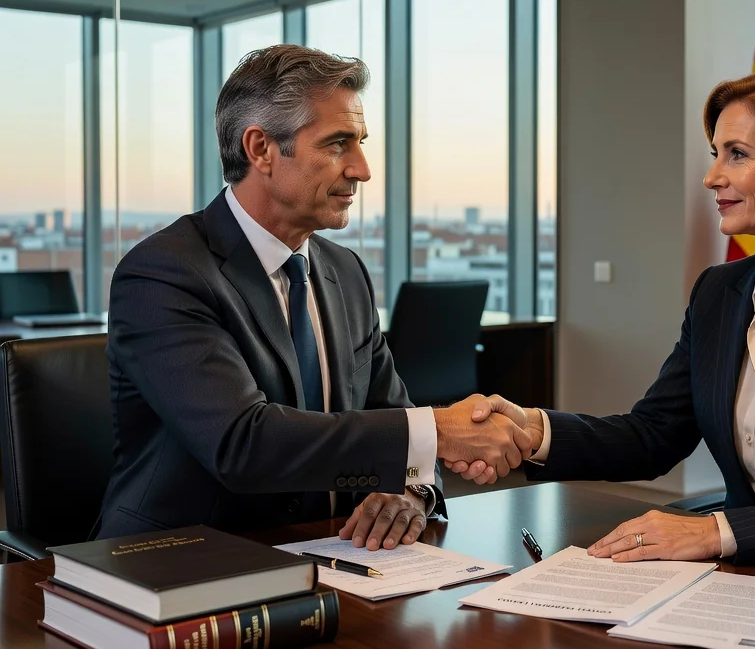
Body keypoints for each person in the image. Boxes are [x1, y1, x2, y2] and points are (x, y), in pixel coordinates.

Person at [459, 67, 755, 567]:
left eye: (736, 154)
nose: (712, 176)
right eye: (716, 154)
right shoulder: (719, 292)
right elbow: (653, 434)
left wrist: (713, 530)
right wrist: (535, 431)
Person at [97, 45, 530, 547]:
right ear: (260, 149)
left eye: (361, 142)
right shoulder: (164, 273)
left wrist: (410, 492)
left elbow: (391, 416)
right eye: (337, 144)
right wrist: (438, 433)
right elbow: (244, 444)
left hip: (335, 555)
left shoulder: (345, 272)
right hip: (187, 563)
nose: (362, 169)